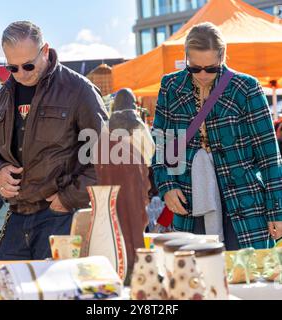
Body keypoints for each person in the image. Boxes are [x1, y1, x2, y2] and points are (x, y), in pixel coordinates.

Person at [0, 21, 108, 260]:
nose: (21, 74)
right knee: (8, 292)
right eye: (13, 68)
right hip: (17, 217)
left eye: (28, 65)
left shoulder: (79, 90)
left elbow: (107, 156)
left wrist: (68, 198)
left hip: (61, 216)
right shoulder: (4, 94)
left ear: (46, 51)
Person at [151, 22, 282, 250]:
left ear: (222, 57)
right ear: (186, 58)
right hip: (190, 200)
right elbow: (164, 143)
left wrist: (276, 210)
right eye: (194, 68)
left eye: (210, 68)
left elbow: (269, 157)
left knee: (245, 276)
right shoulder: (170, 86)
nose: (202, 75)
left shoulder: (246, 88)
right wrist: (167, 185)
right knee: (197, 276)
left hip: (244, 200)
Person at [95, 88, 155, 284]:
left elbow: (98, 155)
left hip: (112, 183)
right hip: (135, 181)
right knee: (137, 220)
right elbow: (150, 152)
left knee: (117, 222)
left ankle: (121, 265)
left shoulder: (106, 127)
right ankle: (138, 267)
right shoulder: (138, 126)